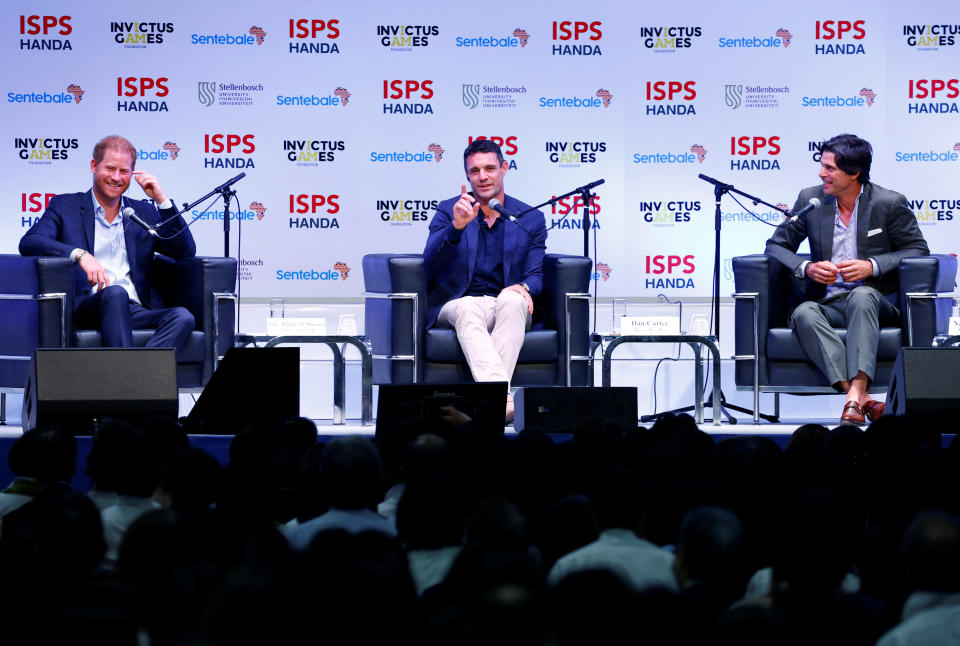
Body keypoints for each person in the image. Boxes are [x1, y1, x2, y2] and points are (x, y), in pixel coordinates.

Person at [765, 134, 928, 424]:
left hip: (874, 303)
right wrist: (807, 267)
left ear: (854, 173)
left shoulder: (888, 203)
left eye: (829, 168)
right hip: (829, 304)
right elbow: (776, 245)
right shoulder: (810, 200)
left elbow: (918, 250)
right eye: (822, 166)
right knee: (803, 312)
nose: (821, 173)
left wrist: (872, 266)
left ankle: (856, 393)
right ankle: (857, 398)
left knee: (862, 295)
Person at [19, 135, 196, 354]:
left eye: (124, 172)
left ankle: (135, 377)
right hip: (89, 306)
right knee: (115, 293)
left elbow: (185, 251)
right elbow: (30, 242)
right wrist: (79, 255)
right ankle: (129, 380)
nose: (116, 177)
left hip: (134, 308)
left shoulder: (142, 212)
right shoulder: (66, 206)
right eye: (110, 169)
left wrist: (162, 201)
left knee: (182, 317)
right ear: (94, 166)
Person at [423, 139, 547, 422]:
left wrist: (524, 287)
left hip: (505, 307)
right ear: (468, 176)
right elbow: (429, 263)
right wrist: (456, 227)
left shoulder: (529, 218)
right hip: (457, 305)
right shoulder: (448, 210)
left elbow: (536, 275)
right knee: (467, 307)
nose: (483, 176)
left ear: (504, 168)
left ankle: (491, 405)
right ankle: (501, 400)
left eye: (490, 168)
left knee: (513, 299)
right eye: (475, 171)